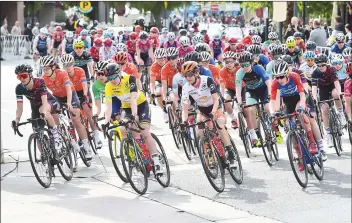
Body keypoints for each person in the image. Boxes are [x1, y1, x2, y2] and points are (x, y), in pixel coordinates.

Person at [102, 63, 163, 174]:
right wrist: (106, 122)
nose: (112, 80)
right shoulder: (109, 86)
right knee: (124, 129)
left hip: (140, 105)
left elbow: (134, 99)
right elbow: (108, 106)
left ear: (119, 74)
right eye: (109, 78)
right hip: (126, 108)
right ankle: (137, 155)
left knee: (144, 131)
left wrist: (135, 115)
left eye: (113, 77)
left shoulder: (130, 78)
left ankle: (156, 160)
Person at [180, 61, 237, 168]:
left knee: (220, 124)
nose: (188, 78)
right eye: (185, 75)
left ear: (196, 73)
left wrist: (213, 112)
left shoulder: (207, 80)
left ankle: (230, 151)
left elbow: (216, 99)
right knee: (200, 129)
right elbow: (185, 107)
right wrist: (184, 121)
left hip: (215, 106)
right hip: (203, 110)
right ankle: (210, 153)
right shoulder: (186, 87)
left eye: (190, 74)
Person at [40, 55, 93, 159]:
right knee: (52, 112)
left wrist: (69, 102)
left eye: (47, 68)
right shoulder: (44, 78)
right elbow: (44, 94)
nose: (45, 71)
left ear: (53, 67)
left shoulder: (62, 73)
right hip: (57, 97)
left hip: (71, 96)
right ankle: (62, 134)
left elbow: (69, 89)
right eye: (43, 68)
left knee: (76, 120)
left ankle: (87, 147)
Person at [270, 61, 318, 171]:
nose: (279, 79)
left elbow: (302, 94)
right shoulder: (275, 83)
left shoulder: (294, 77)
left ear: (287, 74)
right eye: (277, 77)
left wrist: (302, 106)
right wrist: (273, 112)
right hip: (287, 101)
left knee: (300, 113)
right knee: (289, 126)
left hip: (298, 98)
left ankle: (311, 142)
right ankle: (300, 157)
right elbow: (272, 100)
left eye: (281, 76)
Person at [13, 64, 62, 155]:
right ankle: (45, 156)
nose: (22, 79)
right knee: (37, 132)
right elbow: (19, 107)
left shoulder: (39, 82)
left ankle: (56, 136)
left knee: (42, 110)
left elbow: (44, 102)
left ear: (30, 74)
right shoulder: (19, 88)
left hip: (49, 102)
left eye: (24, 75)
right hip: (35, 107)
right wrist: (17, 119)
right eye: (19, 77)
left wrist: (43, 112)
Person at [60, 54, 103, 148]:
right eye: (65, 65)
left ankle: (96, 136)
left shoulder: (80, 70)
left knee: (88, 113)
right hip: (72, 94)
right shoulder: (63, 74)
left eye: (69, 64)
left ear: (73, 63)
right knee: (73, 117)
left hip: (82, 92)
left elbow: (84, 84)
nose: (67, 67)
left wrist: (84, 95)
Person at [311, 54, 346, 148]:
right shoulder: (315, 73)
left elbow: (336, 82)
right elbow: (314, 87)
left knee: (335, 94)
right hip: (323, 89)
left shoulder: (332, 69)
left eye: (323, 65)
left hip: (332, 86)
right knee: (324, 109)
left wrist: (339, 92)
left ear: (326, 64)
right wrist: (314, 97)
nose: (321, 67)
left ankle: (340, 112)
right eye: (318, 65)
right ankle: (328, 134)